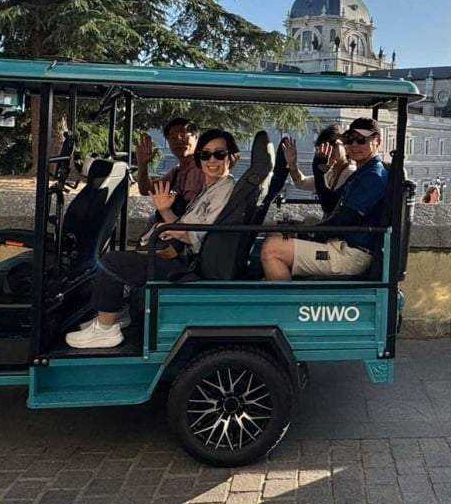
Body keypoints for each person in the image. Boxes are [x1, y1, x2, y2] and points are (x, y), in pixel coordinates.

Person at [67, 129, 240, 349]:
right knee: (125, 256)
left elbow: (196, 233)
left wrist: (167, 227)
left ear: (232, 157)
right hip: (182, 253)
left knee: (111, 262)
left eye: (219, 154)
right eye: (205, 155)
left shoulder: (225, 189)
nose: (211, 160)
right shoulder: (211, 188)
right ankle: (114, 313)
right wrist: (165, 212)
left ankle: (105, 328)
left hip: (185, 264)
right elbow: (187, 223)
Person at [261, 118, 389, 280]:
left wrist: (310, 234)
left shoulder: (373, 177)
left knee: (271, 250)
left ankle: (288, 305)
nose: (354, 145)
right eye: (350, 139)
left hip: (350, 254)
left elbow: (344, 219)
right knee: (276, 237)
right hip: (342, 245)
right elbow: (331, 203)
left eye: (361, 140)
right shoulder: (361, 173)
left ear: (377, 142)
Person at [136, 117, 203, 216]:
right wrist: (142, 164)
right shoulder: (177, 171)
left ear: (196, 138)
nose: (178, 140)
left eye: (183, 135)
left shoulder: (204, 168)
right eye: (172, 137)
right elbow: (146, 190)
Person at [280, 126, 355, 214]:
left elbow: (331, 205)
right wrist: (292, 164)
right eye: (322, 146)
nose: (327, 150)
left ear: (345, 147)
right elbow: (301, 183)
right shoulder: (330, 174)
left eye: (333, 144)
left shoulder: (351, 173)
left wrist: (318, 171)